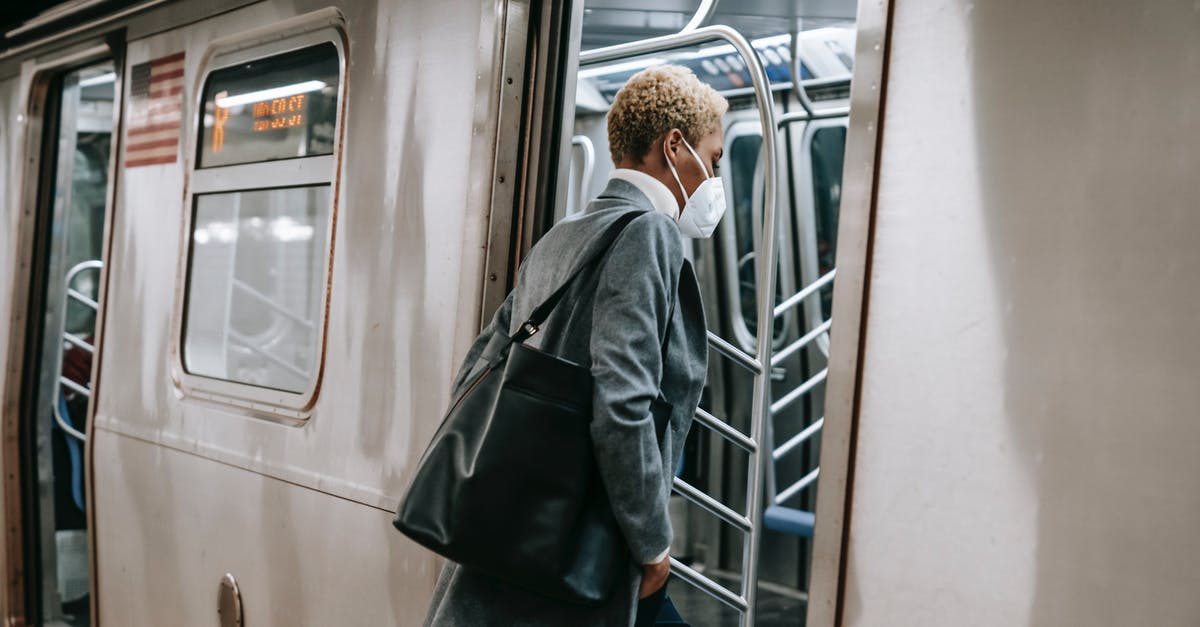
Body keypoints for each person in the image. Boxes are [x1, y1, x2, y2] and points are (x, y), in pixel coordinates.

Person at [423, 64, 728, 626]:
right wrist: (653, 545)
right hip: (583, 537)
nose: (713, 179)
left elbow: (477, 369)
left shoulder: (562, 236)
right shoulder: (648, 233)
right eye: (713, 160)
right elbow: (623, 400)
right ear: (674, 144)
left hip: (521, 524)